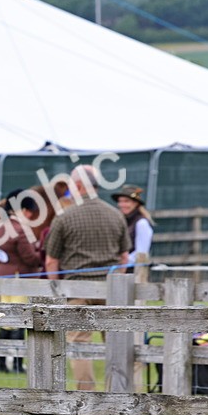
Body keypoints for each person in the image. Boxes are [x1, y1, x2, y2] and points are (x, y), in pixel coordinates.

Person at [44, 165, 131, 391]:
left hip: (76, 290)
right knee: (115, 341)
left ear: (78, 185)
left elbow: (51, 261)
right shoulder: (116, 215)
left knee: (79, 343)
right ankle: (117, 395)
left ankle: (86, 395)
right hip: (110, 289)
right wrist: (117, 281)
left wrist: (57, 290)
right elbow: (124, 257)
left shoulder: (64, 217)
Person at [0, 189, 45, 373]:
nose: (30, 215)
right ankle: (16, 363)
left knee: (6, 320)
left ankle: (0, 362)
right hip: (19, 278)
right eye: (28, 211)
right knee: (20, 320)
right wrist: (42, 254)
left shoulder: (0, 228)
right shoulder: (20, 230)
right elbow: (30, 258)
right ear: (22, 210)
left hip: (3, 277)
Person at [112, 184, 154, 267]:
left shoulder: (142, 223)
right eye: (120, 201)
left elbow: (141, 253)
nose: (122, 204)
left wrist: (120, 263)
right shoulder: (122, 221)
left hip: (133, 271)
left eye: (126, 201)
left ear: (135, 203)